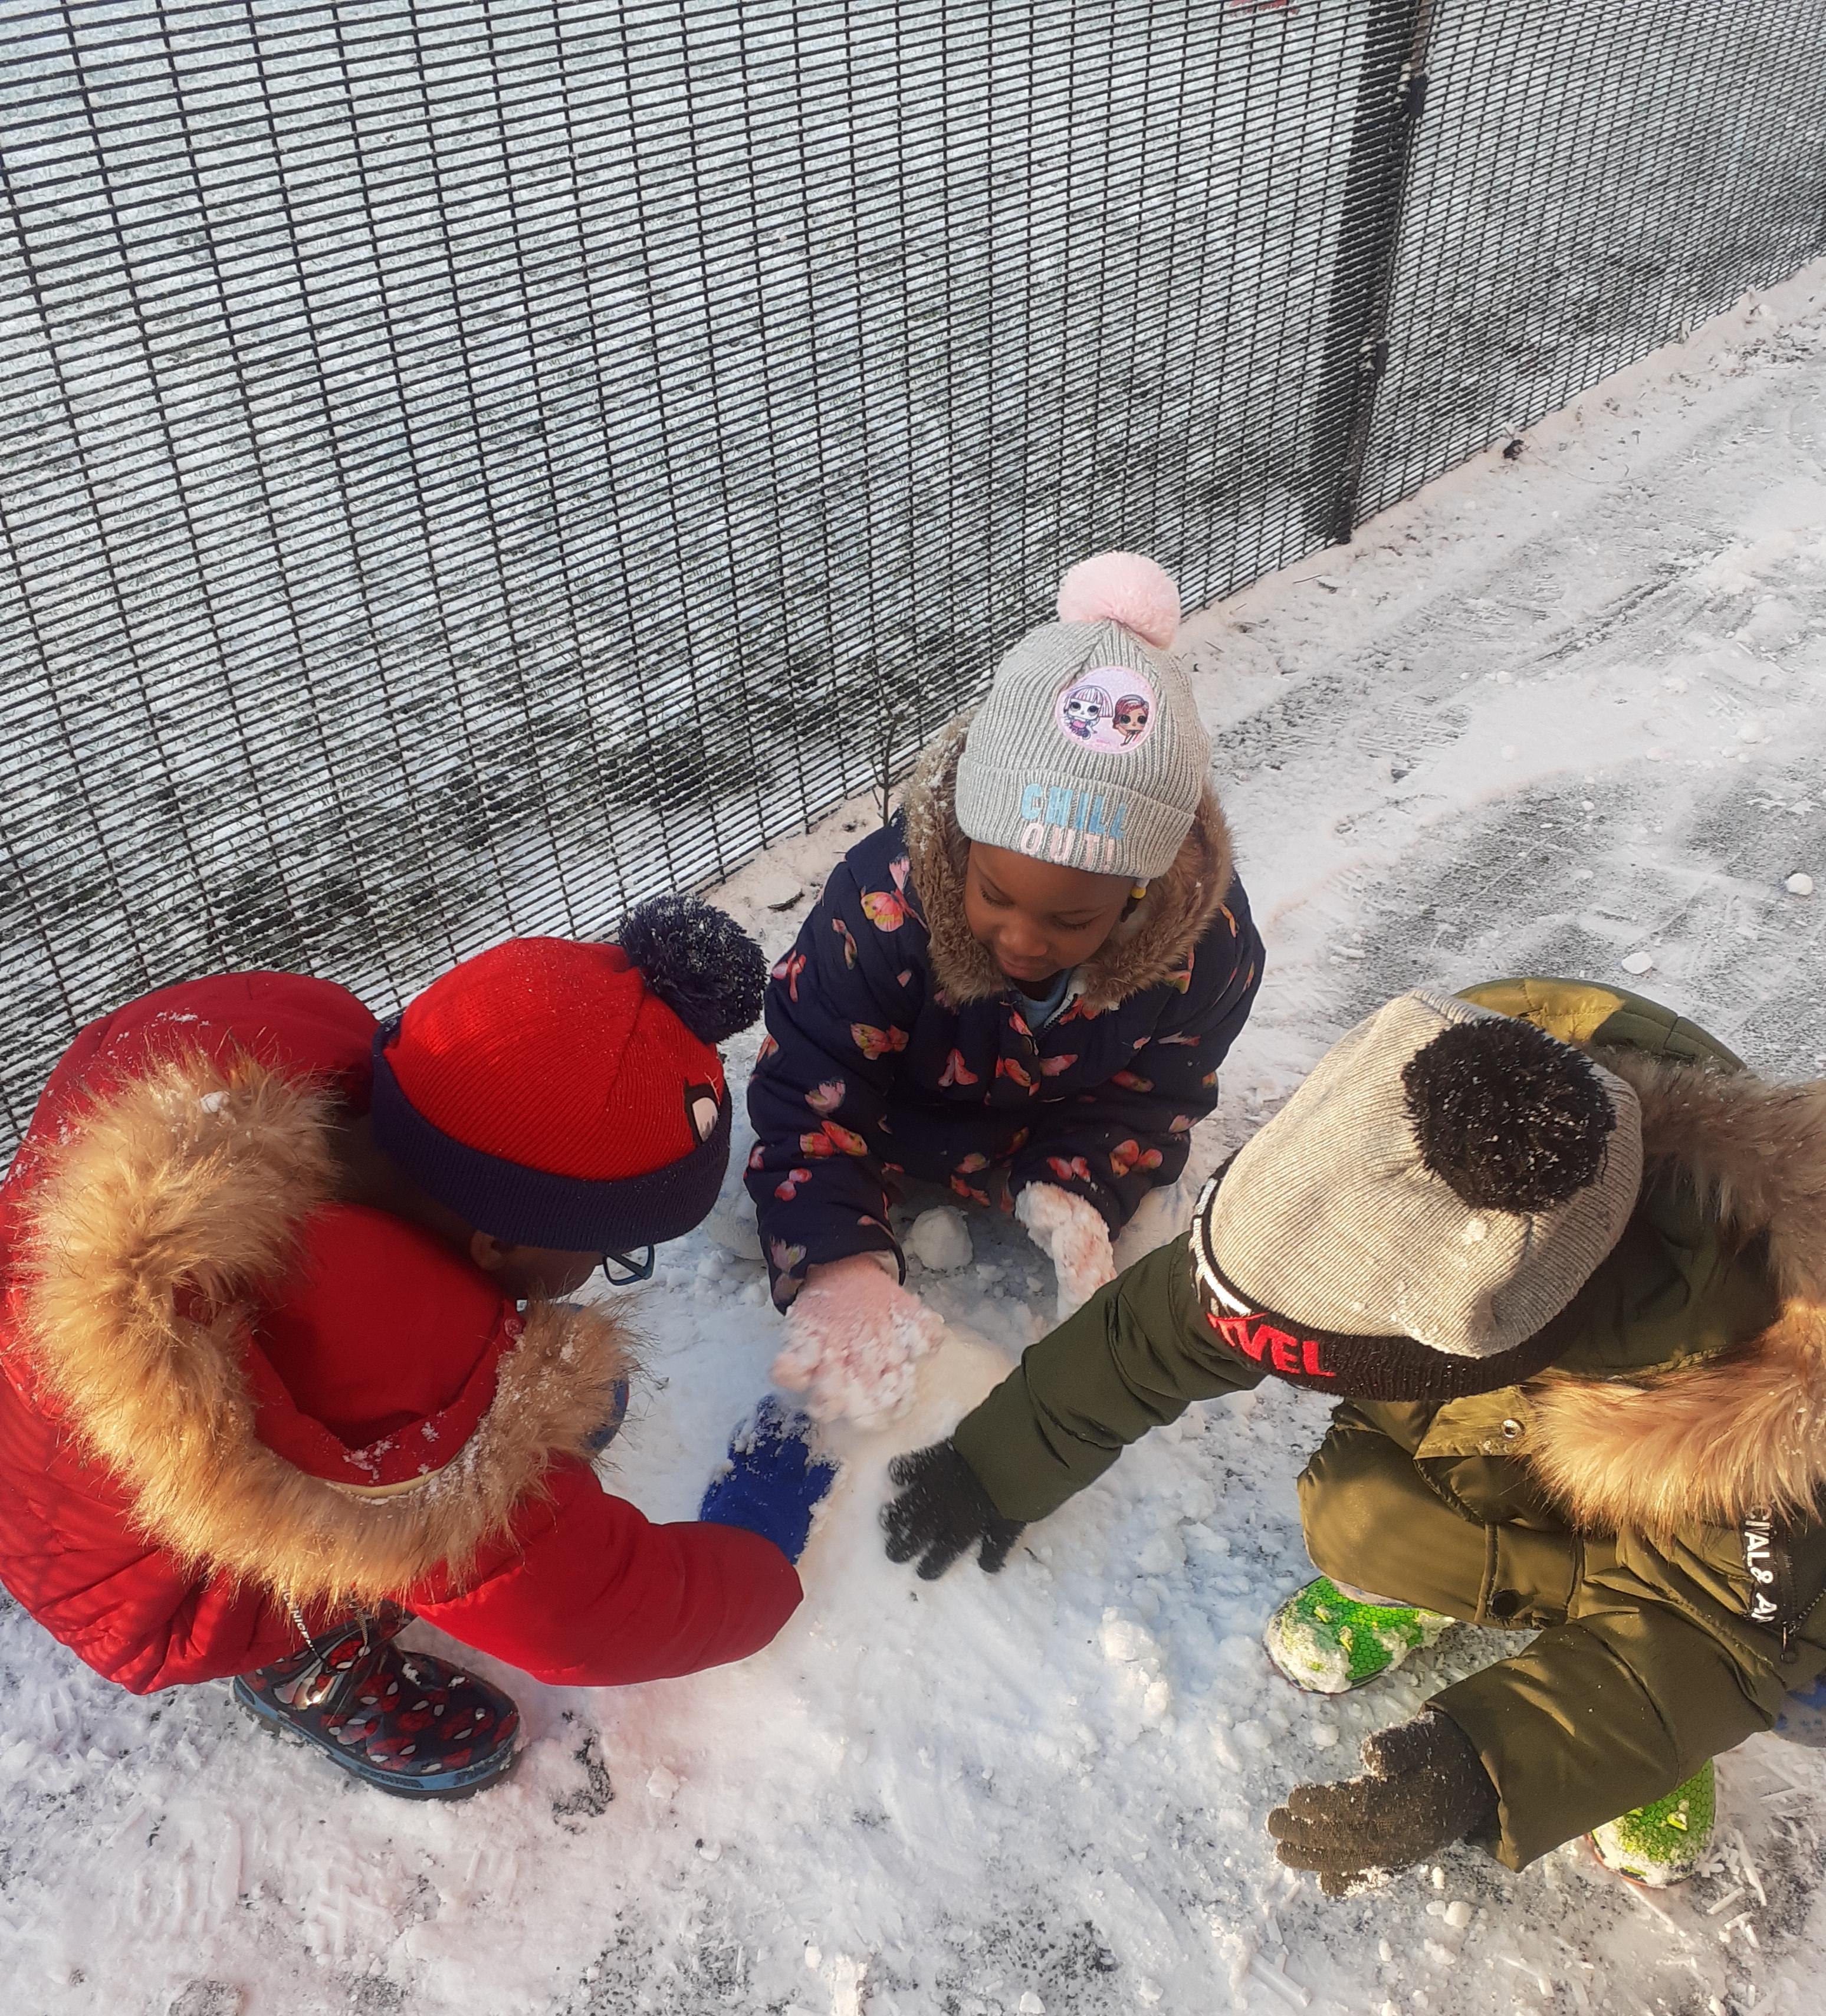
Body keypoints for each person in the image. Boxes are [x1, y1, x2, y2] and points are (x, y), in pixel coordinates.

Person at [879, 978, 1826, 1890]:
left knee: (1766, 1675)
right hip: (1497, 1425)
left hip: (1695, 1544)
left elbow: (1725, 1634)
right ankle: (1482, 1599)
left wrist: (1485, 1767)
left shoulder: (1770, 1388)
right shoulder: (1420, 1120)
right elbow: (1179, 1323)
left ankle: (1642, 1745)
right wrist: (998, 1461)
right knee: (1353, 1516)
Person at [0, 900, 835, 1801]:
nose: (604, 1272)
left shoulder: (267, 1045)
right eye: (613, 1249)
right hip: (149, 1591)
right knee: (400, 1529)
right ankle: (306, 1663)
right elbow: (582, 1615)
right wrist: (760, 1550)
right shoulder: (391, 1372)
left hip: (52, 1439)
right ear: (498, 1242)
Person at [745, 553, 1263, 1429]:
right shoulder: (881, 909)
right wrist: (836, 1262)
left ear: (1138, 894)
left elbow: (1156, 1095)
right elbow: (809, 1077)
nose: (1023, 940)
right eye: (994, 894)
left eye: (1072, 920)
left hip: (1043, 1126)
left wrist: (1079, 1181)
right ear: (964, 844)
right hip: (896, 1134)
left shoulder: (1204, 951)